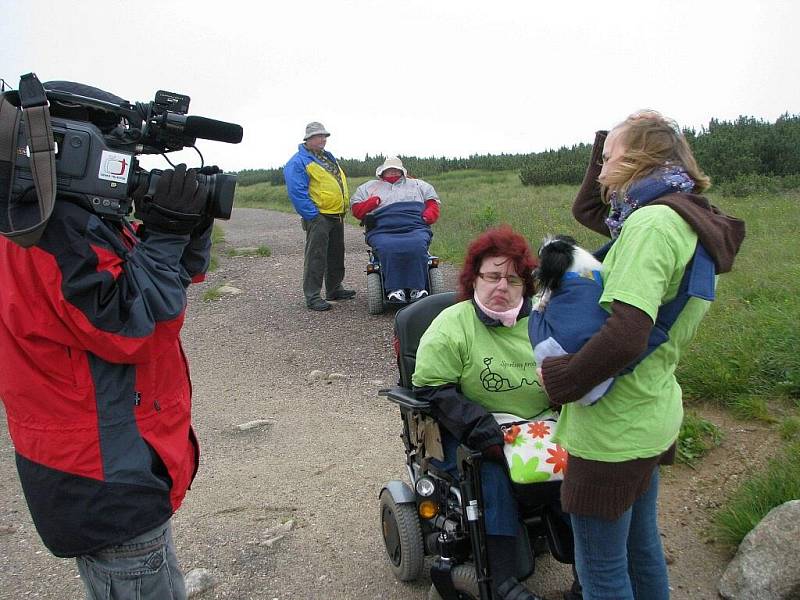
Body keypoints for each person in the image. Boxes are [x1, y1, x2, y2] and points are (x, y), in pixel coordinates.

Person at [0, 80, 216, 599]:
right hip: (103, 471)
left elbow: (161, 282)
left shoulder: (50, 213)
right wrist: (165, 233)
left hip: (112, 459)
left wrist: (188, 225)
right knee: (138, 575)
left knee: (156, 575)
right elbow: (132, 326)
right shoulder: (51, 229)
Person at [539, 111, 745, 600]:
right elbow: (589, 209)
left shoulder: (650, 225)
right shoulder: (686, 213)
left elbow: (628, 333)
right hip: (651, 410)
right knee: (640, 548)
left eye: (611, 154)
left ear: (638, 158)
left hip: (613, 426)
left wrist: (563, 380)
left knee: (603, 573)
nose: (603, 162)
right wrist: (602, 145)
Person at [412, 225, 553, 600]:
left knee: (581, 459)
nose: (502, 286)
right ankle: (503, 577)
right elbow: (430, 387)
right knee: (487, 467)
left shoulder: (542, 322)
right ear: (474, 278)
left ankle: (588, 570)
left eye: (513, 279)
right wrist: (478, 424)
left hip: (542, 426)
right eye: (492, 276)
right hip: (477, 428)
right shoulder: (452, 324)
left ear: (527, 285)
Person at [284, 121, 355, 311]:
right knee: (316, 257)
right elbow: (297, 192)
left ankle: (334, 289)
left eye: (324, 136)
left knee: (336, 255)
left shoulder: (327, 158)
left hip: (336, 215)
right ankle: (313, 296)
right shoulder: (299, 161)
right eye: (318, 136)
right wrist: (313, 215)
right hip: (319, 216)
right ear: (308, 139)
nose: (323, 139)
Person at [350, 156, 440, 302]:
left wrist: (428, 216)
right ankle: (394, 289)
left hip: (414, 226)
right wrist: (371, 203)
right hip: (383, 229)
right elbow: (356, 210)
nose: (392, 173)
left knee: (417, 245)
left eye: (395, 170)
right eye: (389, 170)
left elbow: (432, 203)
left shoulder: (418, 185)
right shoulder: (368, 187)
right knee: (387, 247)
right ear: (382, 172)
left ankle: (418, 288)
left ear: (402, 171)